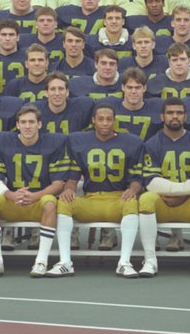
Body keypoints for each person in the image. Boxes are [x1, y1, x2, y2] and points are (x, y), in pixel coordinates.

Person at [59, 104, 147, 277]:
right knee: (63, 202)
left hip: (116, 200)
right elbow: (73, 175)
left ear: (114, 121)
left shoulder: (131, 142)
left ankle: (124, 262)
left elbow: (137, 178)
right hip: (90, 198)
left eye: (108, 119)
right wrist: (69, 189)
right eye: (100, 119)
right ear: (93, 121)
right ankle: (65, 261)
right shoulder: (80, 142)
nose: (105, 123)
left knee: (131, 203)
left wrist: (133, 190)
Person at [0, 106, 68, 277]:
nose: (27, 126)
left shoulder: (54, 143)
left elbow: (58, 184)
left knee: (50, 203)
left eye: (31, 122)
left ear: (39, 124)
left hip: (38, 201)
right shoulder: (3, 142)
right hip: (13, 200)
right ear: (17, 125)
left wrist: (35, 196)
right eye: (23, 122)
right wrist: (11, 194)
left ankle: (41, 261)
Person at [138, 99, 190, 275]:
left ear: (185, 116)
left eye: (179, 113)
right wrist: (185, 188)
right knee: (145, 199)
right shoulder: (151, 143)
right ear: (162, 116)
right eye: (170, 112)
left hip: (189, 201)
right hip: (163, 202)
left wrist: (183, 194)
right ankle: (150, 260)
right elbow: (151, 182)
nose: (175, 116)